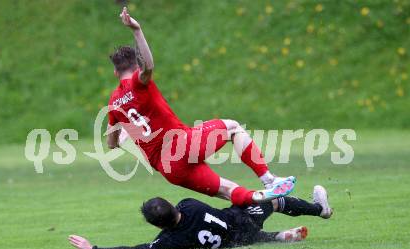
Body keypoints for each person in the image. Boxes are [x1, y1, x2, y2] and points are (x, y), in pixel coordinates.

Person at [106, 7, 296, 207]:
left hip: (169, 169)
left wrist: (127, 136)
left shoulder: (113, 102)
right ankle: (269, 180)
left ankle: (269, 202)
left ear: (115, 72)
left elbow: (112, 143)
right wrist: (136, 30)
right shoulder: (137, 83)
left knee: (228, 191)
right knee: (232, 128)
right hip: (181, 146)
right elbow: (149, 67)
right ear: (136, 66)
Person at [69, 186, 332, 249]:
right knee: (274, 201)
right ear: (173, 205)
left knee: (242, 240)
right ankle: (320, 209)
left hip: (233, 242)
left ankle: (275, 238)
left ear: (158, 226)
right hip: (241, 223)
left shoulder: (169, 240)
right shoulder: (189, 205)